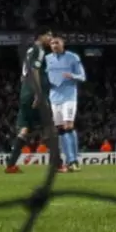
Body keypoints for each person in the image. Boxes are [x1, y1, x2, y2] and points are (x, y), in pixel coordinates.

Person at [5, 27, 54, 174]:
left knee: (24, 129)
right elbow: (34, 70)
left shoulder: (29, 51)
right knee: (49, 125)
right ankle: (57, 164)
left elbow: (23, 74)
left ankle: (11, 164)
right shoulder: (39, 50)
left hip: (25, 92)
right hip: (34, 93)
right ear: (41, 36)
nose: (51, 38)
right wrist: (39, 94)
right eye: (49, 34)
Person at [45, 37, 87, 172]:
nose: (54, 45)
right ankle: (68, 161)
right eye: (52, 43)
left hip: (69, 97)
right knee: (60, 130)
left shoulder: (72, 57)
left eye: (57, 42)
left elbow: (83, 76)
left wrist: (72, 76)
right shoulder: (47, 59)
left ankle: (73, 160)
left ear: (63, 44)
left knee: (68, 126)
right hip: (54, 98)